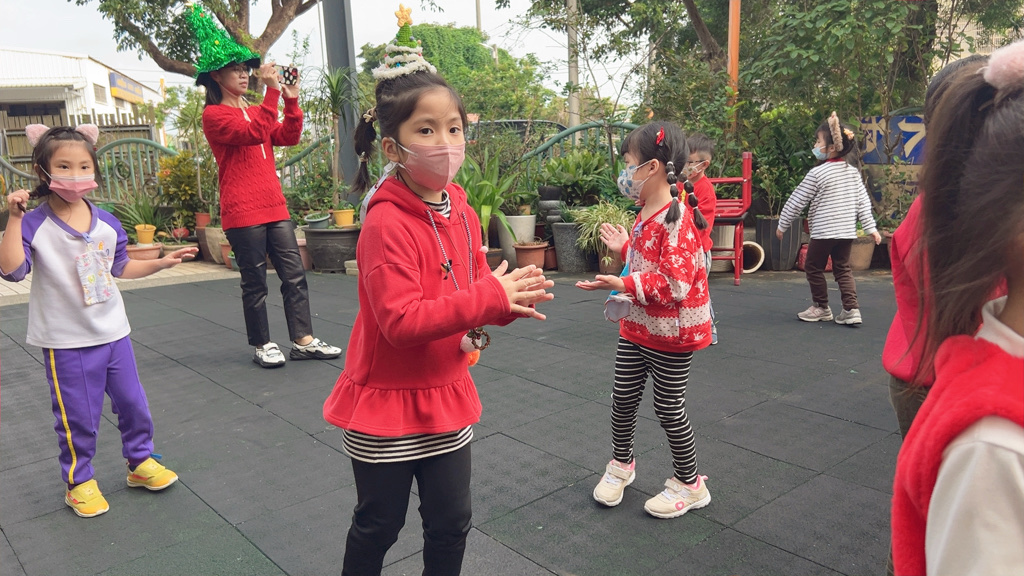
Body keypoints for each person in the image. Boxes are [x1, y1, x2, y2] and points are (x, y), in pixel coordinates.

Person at [321, 9, 554, 575]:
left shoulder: (464, 212)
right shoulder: (385, 223)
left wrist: (507, 302)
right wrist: (489, 297)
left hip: (445, 392)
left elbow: (471, 293)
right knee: (379, 523)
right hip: (386, 400)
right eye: (425, 130)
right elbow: (401, 322)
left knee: (452, 521)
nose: (445, 142)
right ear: (392, 147)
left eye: (454, 128)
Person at [0, 125, 197, 518]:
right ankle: (79, 482)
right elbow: (12, 270)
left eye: (84, 166)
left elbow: (121, 267)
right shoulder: (34, 223)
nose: (75, 175)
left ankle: (140, 462)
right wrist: (13, 218)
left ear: (94, 169)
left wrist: (161, 263)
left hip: (114, 333)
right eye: (64, 166)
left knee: (133, 404)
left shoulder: (106, 221)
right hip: (66, 341)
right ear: (42, 171)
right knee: (78, 417)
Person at [891, 39, 1024, 576]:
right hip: (926, 371)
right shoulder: (991, 445)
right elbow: (957, 306)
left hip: (934, 364)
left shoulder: (947, 213)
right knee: (929, 508)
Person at [191, 2, 341, 368]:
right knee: (255, 281)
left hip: (274, 206)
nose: (244, 74)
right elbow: (254, 132)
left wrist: (291, 100)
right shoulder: (214, 116)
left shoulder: (256, 109)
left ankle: (303, 340)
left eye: (245, 69)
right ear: (215, 76)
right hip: (243, 210)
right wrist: (272, 93)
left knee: (294, 275)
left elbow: (287, 136)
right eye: (236, 69)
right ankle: (262, 343)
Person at [576, 121, 713, 519]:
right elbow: (647, 263)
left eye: (628, 163)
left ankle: (691, 485)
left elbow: (674, 283)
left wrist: (622, 281)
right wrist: (626, 249)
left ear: (652, 167)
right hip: (637, 329)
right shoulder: (646, 214)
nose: (625, 173)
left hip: (672, 335)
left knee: (669, 408)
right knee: (622, 399)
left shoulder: (676, 220)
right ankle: (621, 465)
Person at [883, 54, 989, 439]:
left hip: (939, 375)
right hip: (939, 382)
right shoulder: (945, 215)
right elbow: (968, 315)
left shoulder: (974, 205)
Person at [776, 112, 881, 325]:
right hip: (846, 233)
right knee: (843, 268)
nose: (815, 145)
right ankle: (851, 309)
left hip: (824, 232)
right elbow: (863, 202)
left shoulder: (818, 173)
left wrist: (782, 224)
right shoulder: (852, 173)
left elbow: (797, 200)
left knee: (813, 267)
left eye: (818, 141)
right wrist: (871, 228)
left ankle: (821, 307)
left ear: (831, 147)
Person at [685, 133, 718, 344]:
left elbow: (702, 225)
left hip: (697, 251)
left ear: (704, 164)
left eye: (689, 162)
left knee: (698, 291)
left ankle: (709, 327)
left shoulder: (705, 190)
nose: (685, 166)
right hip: (680, 248)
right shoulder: (680, 183)